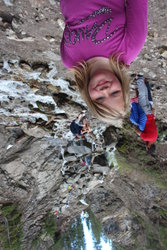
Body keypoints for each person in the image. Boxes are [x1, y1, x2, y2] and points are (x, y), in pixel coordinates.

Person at [60, 0, 148, 123]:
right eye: (115, 92)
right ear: (122, 86)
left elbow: (69, 20)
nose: (105, 90)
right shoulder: (130, 48)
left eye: (100, 98)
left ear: (89, 98)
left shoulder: (71, 61)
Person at [130, 76, 158, 153]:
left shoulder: (155, 137)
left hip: (149, 114)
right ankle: (140, 79)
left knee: (145, 97)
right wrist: (136, 128)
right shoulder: (146, 138)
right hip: (145, 115)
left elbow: (153, 125)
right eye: (146, 148)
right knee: (142, 97)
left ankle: (142, 82)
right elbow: (137, 131)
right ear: (149, 147)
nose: (145, 146)